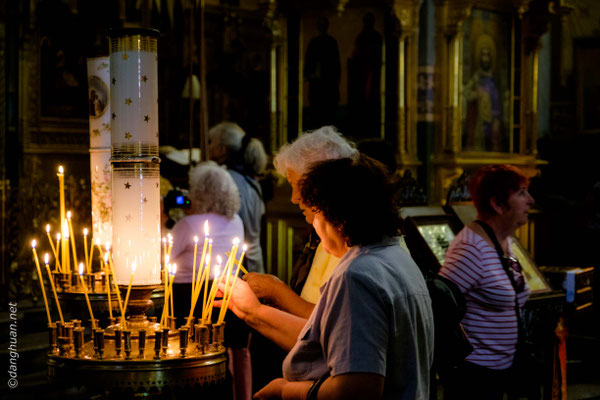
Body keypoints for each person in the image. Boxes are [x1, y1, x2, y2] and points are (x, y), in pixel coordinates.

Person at [220, 155, 434, 399]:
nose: (313, 223)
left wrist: (285, 390)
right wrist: (253, 311)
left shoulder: (358, 275)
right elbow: (327, 343)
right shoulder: (396, 256)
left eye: (315, 212)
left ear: (338, 217)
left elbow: (357, 388)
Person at [244, 125, 358, 391]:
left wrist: (273, 294)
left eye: (297, 185)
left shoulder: (354, 255)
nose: (294, 198)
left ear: (322, 184)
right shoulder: (327, 234)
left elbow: (327, 326)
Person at [439, 164, 534, 399]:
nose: (530, 200)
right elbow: (440, 305)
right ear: (497, 204)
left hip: (502, 369)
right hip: (475, 377)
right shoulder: (471, 249)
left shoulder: (503, 240)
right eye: (521, 193)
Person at [168, 161, 250, 400]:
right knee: (238, 349)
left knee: (195, 352)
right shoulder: (236, 220)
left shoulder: (187, 224)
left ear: (199, 192)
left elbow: (164, 257)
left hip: (190, 294)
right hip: (230, 290)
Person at [208, 122, 268, 274]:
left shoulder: (224, 178)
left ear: (222, 149)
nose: (207, 147)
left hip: (235, 265)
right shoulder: (252, 181)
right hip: (256, 263)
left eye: (210, 142)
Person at [464, 34, 503, 152]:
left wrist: (496, 119)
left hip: (492, 119)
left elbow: (498, 101)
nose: (485, 59)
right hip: (478, 120)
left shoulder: (494, 79)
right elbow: (466, 92)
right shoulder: (476, 77)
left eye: (487, 55)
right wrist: (476, 93)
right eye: (483, 55)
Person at [304, 17, 341, 129]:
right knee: (316, 113)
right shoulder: (313, 42)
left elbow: (336, 64)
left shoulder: (331, 42)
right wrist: (310, 75)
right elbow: (308, 62)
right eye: (320, 25)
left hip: (329, 84)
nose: (321, 27)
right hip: (316, 85)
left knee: (328, 114)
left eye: (323, 25)